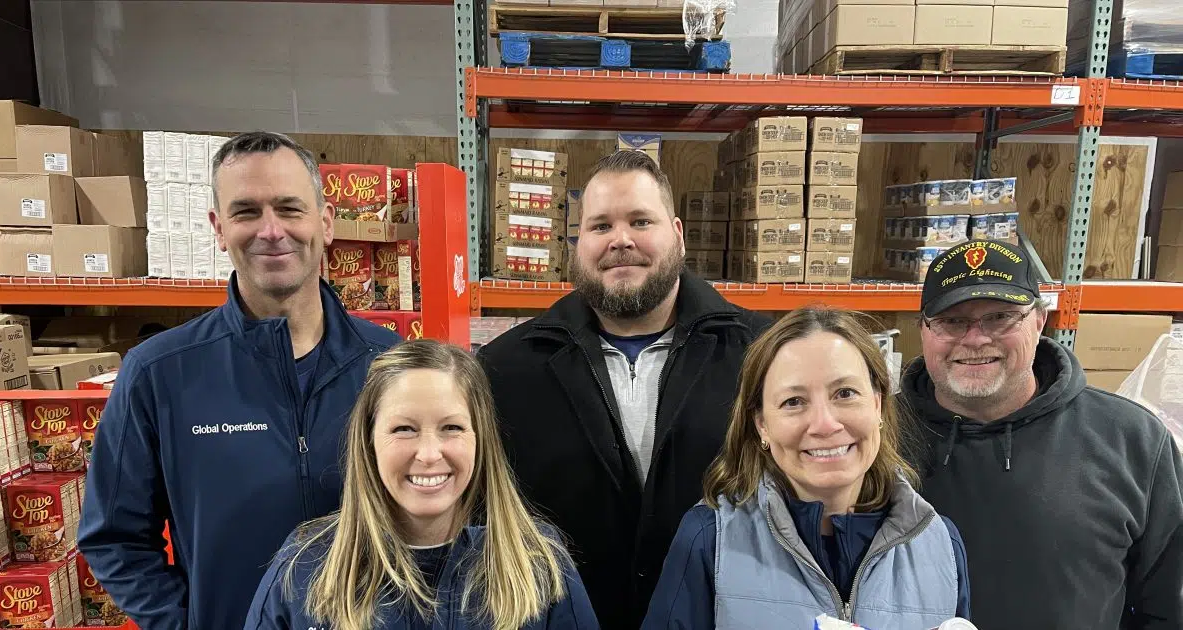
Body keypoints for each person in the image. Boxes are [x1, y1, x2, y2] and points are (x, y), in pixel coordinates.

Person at [79, 131, 402, 630]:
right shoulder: (158, 373)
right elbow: (113, 537)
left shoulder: (392, 366)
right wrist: (184, 623)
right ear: (218, 227)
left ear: (326, 221)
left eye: (290, 208)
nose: (271, 230)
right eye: (246, 212)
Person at [477, 150, 773, 629]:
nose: (620, 241)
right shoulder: (506, 370)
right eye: (599, 227)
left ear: (677, 233)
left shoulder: (757, 354)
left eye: (640, 221)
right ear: (577, 243)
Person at [902, 239, 1183, 629]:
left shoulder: (1132, 440)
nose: (976, 338)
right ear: (924, 330)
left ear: (1038, 321)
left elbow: (1170, 608)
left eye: (1000, 317)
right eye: (952, 321)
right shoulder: (872, 436)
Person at [643, 307, 970, 629]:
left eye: (845, 393)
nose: (825, 424)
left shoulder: (940, 544)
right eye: (793, 402)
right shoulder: (709, 540)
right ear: (762, 426)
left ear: (878, 405)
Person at [244, 340, 599, 630]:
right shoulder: (305, 566)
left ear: (481, 439)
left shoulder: (539, 562)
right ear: (368, 441)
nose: (429, 454)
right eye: (404, 429)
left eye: (452, 428)